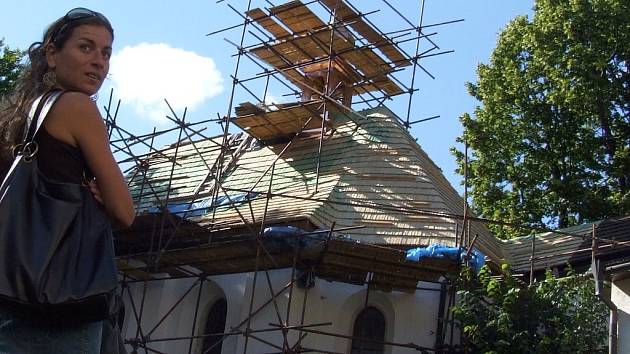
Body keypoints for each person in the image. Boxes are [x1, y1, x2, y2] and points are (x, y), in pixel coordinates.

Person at [0, 7, 135, 353]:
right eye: (85, 47)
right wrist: (102, 196)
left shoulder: (15, 116)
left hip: (10, 295)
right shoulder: (77, 107)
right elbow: (124, 211)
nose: (99, 62)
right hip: (61, 303)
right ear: (51, 53)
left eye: (106, 52)